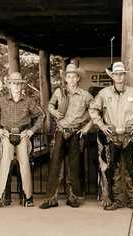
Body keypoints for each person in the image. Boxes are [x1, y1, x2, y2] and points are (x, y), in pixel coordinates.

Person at [89, 62, 133, 211]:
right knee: (114, 170)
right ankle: (117, 200)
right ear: (112, 76)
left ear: (124, 75)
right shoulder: (104, 93)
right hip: (112, 136)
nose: (119, 76)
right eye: (116, 74)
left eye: (121, 74)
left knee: (132, 170)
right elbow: (92, 109)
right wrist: (103, 126)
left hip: (129, 136)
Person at [0, 72, 45, 207]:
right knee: (4, 164)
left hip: (22, 135)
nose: (16, 87)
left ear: (22, 85)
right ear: (9, 85)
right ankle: (1, 197)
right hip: (6, 134)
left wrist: (31, 130)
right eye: (14, 84)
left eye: (19, 84)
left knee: (25, 165)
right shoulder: (1, 101)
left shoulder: (29, 101)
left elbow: (41, 115)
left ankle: (27, 197)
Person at [39, 63, 93, 209]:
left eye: (74, 76)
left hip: (75, 131)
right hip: (60, 131)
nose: (71, 79)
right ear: (66, 78)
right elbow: (50, 106)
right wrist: (55, 113)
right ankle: (51, 198)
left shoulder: (85, 95)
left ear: (78, 78)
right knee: (56, 164)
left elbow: (95, 111)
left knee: (74, 165)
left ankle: (73, 197)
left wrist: (86, 126)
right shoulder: (59, 92)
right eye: (68, 76)